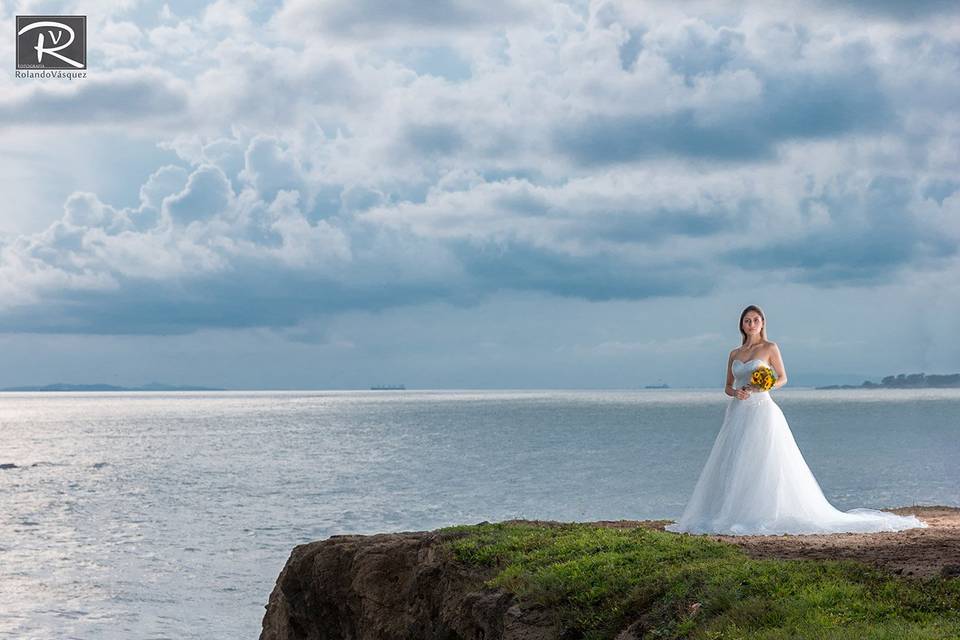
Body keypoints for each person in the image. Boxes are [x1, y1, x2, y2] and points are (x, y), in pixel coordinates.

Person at [665, 304, 927, 535]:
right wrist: (738, 393)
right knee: (733, 460)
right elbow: (727, 387)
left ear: (763, 323)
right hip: (737, 411)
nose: (752, 324)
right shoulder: (734, 353)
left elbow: (782, 378)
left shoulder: (769, 348)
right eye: (747, 320)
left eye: (756, 319)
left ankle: (760, 511)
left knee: (763, 459)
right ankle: (729, 511)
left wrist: (763, 386)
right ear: (741, 325)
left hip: (762, 410)